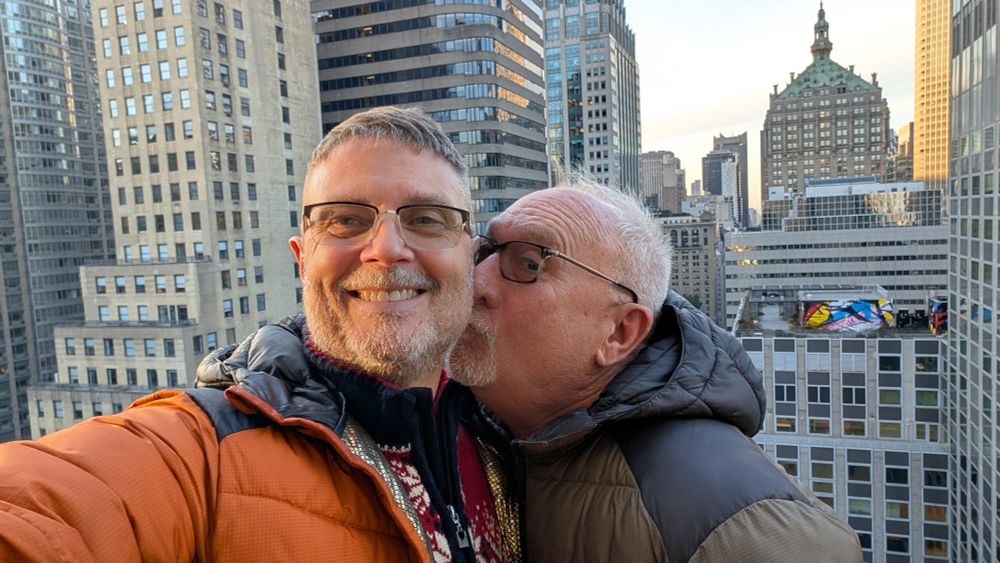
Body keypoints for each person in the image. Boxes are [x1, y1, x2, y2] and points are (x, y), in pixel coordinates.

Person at [201, 176, 863, 562]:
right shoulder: (468, 425)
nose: (476, 283)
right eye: (483, 253)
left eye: (527, 263)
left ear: (618, 331)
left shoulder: (742, 527)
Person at [0, 107, 519, 562]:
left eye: (427, 218)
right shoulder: (206, 450)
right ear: (302, 259)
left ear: (471, 257)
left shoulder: (503, 435)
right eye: (344, 220)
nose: (385, 249)